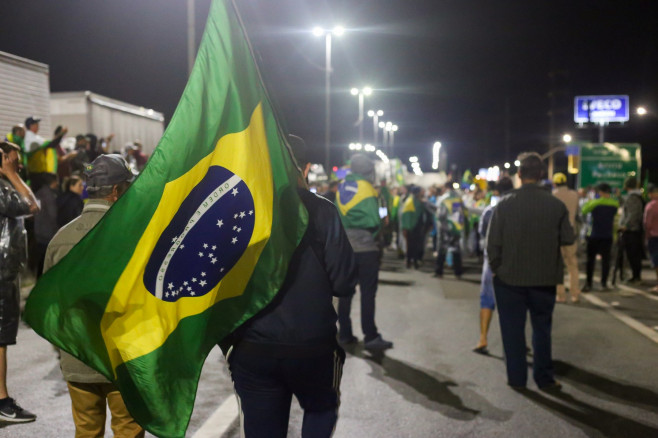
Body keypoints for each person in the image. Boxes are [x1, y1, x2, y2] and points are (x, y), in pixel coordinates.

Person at [221, 135, 357, 438]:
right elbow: (344, 282)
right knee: (321, 410)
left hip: (252, 347)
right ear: (305, 168)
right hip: (313, 346)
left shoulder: (237, 211)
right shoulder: (322, 211)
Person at [43, 154, 143, 437]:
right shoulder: (134, 236)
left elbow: (50, 304)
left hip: (77, 357)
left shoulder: (60, 238)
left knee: (86, 430)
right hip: (122, 360)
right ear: (115, 191)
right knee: (128, 429)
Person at [487, 152, 574, 390]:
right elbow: (568, 237)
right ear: (541, 175)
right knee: (542, 330)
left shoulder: (504, 204)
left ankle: (517, 379)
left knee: (512, 331)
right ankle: (544, 378)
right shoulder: (556, 205)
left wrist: (498, 270)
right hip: (545, 278)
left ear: (520, 175)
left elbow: (492, 244)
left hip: (509, 279)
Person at [336, 154, 393, 350]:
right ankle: (370, 336)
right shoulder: (368, 190)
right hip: (366, 249)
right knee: (368, 294)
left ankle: (344, 333)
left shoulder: (342, 186)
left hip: (345, 248)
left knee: (345, 294)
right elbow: (374, 222)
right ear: (369, 171)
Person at [0, 141, 39, 423]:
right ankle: (1, 401)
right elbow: (31, 205)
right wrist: (11, 175)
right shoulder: (2, 186)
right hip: (1, 271)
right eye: (14, 161)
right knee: (0, 337)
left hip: (5, 270)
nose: (19, 165)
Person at [473, 177, 513, 355]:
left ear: (496, 192)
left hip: (491, 261)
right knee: (513, 302)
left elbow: (482, 232)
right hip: (513, 261)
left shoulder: (489, 211)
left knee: (487, 299)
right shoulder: (517, 211)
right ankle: (513, 340)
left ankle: (483, 338)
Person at [581, 183, 619, 291]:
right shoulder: (614, 203)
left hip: (594, 235)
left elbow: (584, 210)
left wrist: (589, 199)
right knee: (606, 261)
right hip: (607, 235)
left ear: (600, 192)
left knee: (590, 260)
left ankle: (589, 283)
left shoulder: (594, 203)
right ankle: (604, 283)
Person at [552, 172, 581, 303]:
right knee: (572, 265)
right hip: (570, 233)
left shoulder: (553, 195)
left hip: (556, 234)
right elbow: (578, 214)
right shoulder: (575, 195)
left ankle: (560, 294)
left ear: (555, 183)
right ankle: (575, 294)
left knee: (558, 266)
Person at [434, 183, 468, 278]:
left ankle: (439, 271)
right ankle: (458, 272)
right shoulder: (458, 199)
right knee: (456, 250)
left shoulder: (444, 199)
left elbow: (440, 215)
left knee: (442, 250)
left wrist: (442, 226)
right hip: (456, 228)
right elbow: (463, 214)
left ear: (446, 188)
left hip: (446, 228)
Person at [619, 176, 644, 284]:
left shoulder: (633, 197)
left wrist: (625, 226)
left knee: (633, 254)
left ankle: (636, 276)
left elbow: (633, 214)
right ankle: (635, 275)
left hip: (632, 231)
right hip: (634, 230)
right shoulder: (636, 196)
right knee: (633, 254)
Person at [33, 172, 59, 278]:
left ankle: (38, 282)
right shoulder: (49, 195)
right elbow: (53, 215)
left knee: (41, 261)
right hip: (48, 232)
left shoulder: (38, 193)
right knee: (47, 261)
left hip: (39, 231)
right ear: (54, 181)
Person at [401, 186, 429, 269]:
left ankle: (413, 261)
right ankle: (411, 261)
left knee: (415, 245)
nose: (422, 193)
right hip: (412, 227)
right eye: (421, 191)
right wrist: (405, 227)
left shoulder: (416, 201)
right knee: (412, 245)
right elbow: (405, 216)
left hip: (416, 227)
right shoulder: (411, 201)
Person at [643, 184, 658, 293]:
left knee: (656, 262)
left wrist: (646, 236)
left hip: (654, 236)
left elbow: (647, 223)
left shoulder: (651, 206)